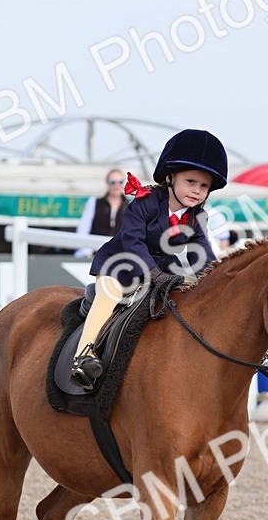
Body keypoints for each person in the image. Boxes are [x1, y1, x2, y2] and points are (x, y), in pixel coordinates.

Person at [70, 129, 228, 390]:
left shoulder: (198, 217)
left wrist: (215, 281)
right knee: (109, 293)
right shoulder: (144, 203)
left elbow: (200, 253)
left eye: (203, 186)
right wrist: (155, 274)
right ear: (170, 177)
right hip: (120, 264)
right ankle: (83, 356)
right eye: (190, 181)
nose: (197, 190)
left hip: (161, 270)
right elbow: (133, 242)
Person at [73, 169, 127, 257]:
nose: (117, 186)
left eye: (120, 182)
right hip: (95, 254)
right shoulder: (94, 202)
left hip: (120, 257)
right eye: (113, 182)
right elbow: (83, 229)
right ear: (107, 183)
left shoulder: (129, 206)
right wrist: (87, 250)